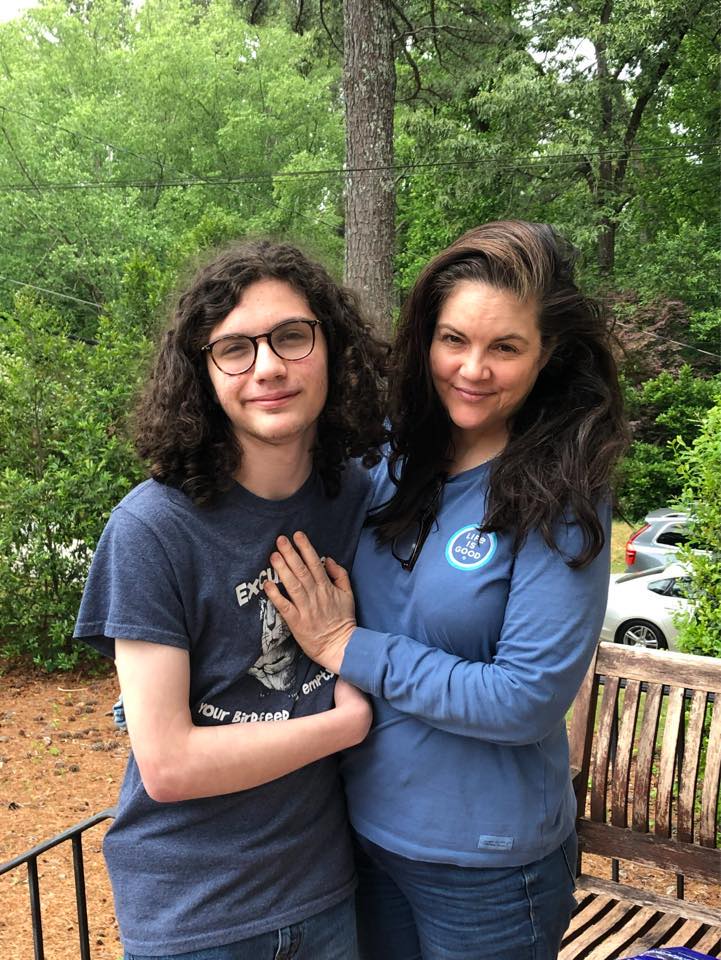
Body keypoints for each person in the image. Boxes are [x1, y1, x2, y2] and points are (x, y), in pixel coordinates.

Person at [263, 220, 628, 960]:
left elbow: (524, 698)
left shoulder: (562, 493)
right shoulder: (391, 455)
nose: (472, 369)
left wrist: (346, 647)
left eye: (505, 347)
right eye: (453, 339)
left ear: (545, 355)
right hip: (361, 839)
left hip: (490, 869)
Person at [74, 239, 386, 959]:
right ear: (203, 374)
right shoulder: (152, 529)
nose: (268, 366)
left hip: (326, 894)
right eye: (234, 348)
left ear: (331, 349)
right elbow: (169, 764)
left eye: (290, 336)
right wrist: (343, 725)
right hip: (195, 914)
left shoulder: (358, 495)